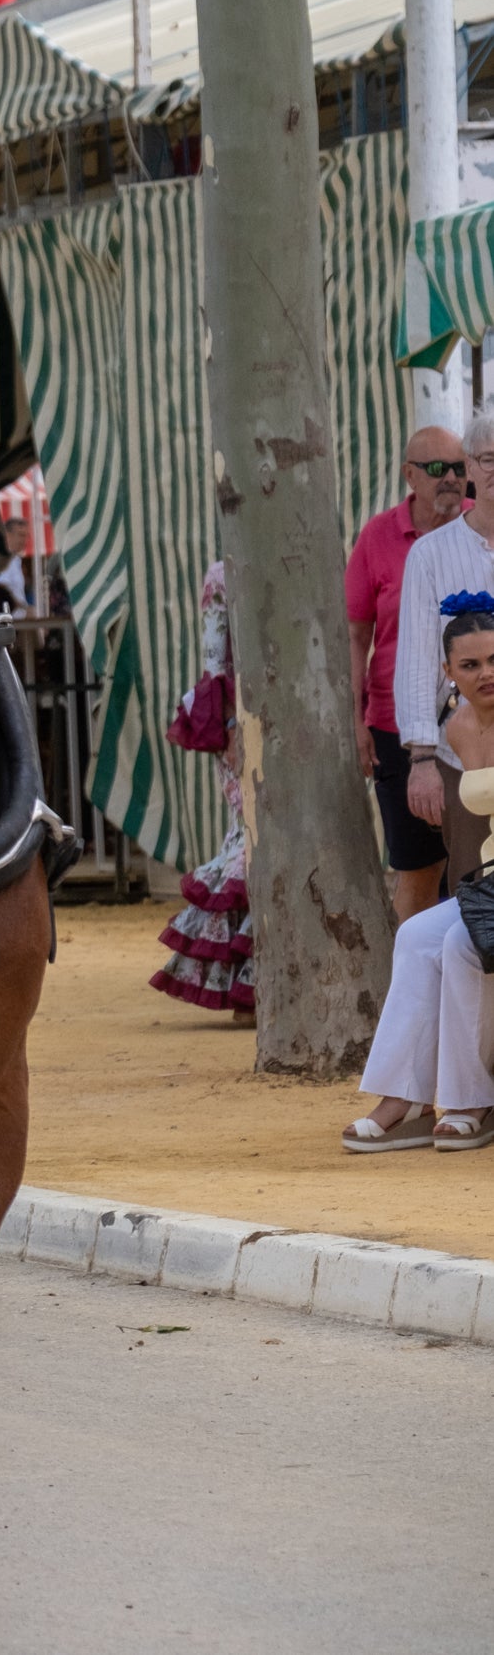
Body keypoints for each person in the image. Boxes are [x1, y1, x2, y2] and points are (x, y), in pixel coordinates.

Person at [346, 591, 494, 1153]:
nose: (486, 674)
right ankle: (404, 1099)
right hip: (486, 884)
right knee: (414, 934)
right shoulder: (454, 730)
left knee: (461, 943)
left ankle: (471, 1100)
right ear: (448, 671)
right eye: (471, 664)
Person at [350, 426, 469, 921]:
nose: (451, 479)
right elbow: (356, 636)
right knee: (418, 870)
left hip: (475, 724)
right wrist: (354, 720)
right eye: (438, 469)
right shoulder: (378, 537)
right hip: (398, 729)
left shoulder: (480, 530)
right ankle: (412, 996)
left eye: (460, 468)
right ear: (410, 475)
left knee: (473, 867)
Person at [152, 560, 253, 1021]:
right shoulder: (221, 574)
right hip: (241, 725)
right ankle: (248, 988)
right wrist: (232, 726)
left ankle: (251, 987)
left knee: (258, 843)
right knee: (249, 840)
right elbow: (215, 664)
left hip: (296, 721)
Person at [396, 412, 494, 833]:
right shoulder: (429, 555)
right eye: (489, 458)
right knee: (474, 886)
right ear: (470, 466)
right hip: (463, 760)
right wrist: (421, 761)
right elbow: (417, 661)